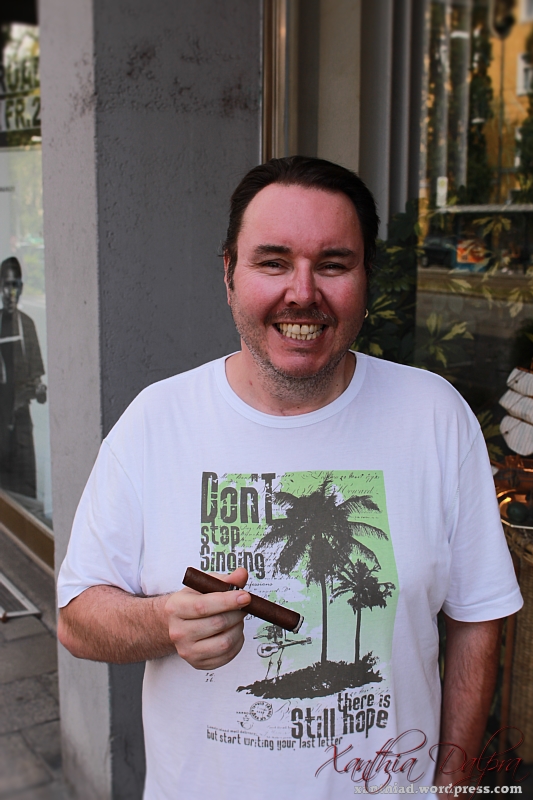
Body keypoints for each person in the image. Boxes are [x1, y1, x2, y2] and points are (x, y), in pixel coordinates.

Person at [57, 157, 522, 799]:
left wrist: (453, 787)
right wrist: (165, 621)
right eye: (273, 262)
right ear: (229, 273)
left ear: (366, 278)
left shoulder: (435, 416)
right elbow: (77, 618)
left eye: (333, 264)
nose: (302, 293)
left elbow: (478, 617)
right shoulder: (155, 421)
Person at [0, 256, 46, 498]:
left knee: (26, 489)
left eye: (15, 286)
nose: (11, 293)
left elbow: (37, 381)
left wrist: (39, 389)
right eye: (7, 285)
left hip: (21, 423)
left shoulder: (27, 325)